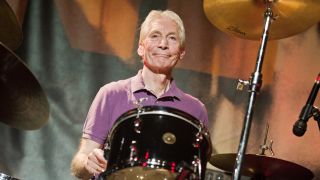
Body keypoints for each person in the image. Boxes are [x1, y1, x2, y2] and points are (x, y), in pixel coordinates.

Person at [70, 9, 209, 179]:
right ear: (141, 48)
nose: (163, 44)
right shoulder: (111, 94)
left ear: (181, 52)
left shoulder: (196, 110)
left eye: (172, 38)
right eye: (155, 36)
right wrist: (87, 163)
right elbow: (80, 162)